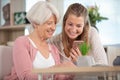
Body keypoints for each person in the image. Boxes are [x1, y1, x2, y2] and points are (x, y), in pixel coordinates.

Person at [4, 1, 75, 80]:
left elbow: (58, 76)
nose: (53, 28)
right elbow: (25, 76)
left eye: (54, 23)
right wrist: (57, 68)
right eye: (49, 23)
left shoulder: (53, 49)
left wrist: (71, 71)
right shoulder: (21, 43)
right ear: (35, 23)